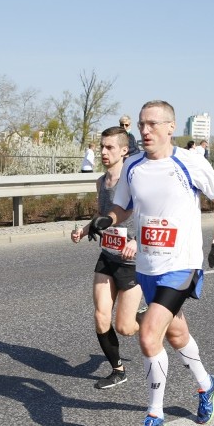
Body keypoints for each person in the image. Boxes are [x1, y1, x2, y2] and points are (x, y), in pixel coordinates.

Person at [88, 100, 214, 426]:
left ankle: (154, 417)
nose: (145, 131)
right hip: (148, 267)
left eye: (152, 124)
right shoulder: (134, 166)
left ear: (171, 126)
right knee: (177, 333)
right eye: (141, 125)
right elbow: (124, 207)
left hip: (182, 264)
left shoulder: (190, 162)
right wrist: (106, 220)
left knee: (149, 334)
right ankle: (206, 384)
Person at [71, 126, 143, 389]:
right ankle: (118, 369)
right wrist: (85, 229)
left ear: (124, 150)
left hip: (133, 260)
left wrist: (137, 241)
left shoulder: (135, 181)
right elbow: (103, 215)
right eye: (101, 146)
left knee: (125, 327)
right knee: (101, 316)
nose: (103, 151)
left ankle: (148, 317)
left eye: (110, 147)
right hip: (108, 256)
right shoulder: (100, 182)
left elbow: (151, 214)